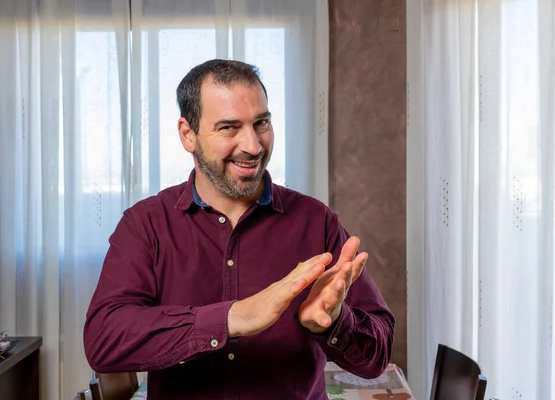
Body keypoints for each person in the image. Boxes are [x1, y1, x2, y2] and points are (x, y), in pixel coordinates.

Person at [83, 59, 395, 400]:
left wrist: (335, 320)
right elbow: (103, 341)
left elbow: (376, 359)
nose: (253, 146)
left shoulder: (316, 221)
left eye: (261, 123)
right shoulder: (145, 225)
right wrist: (232, 318)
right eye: (229, 127)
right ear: (188, 135)